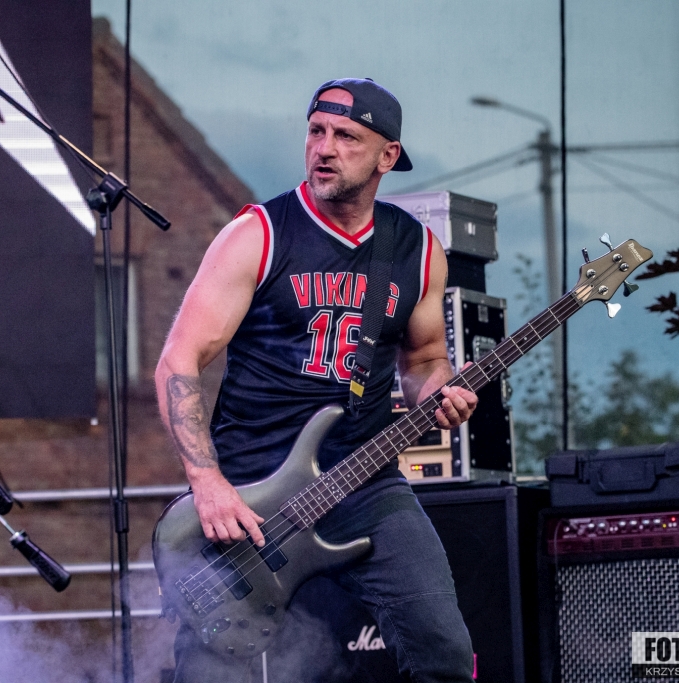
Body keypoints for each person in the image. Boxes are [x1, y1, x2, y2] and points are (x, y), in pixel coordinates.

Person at [155, 78, 477, 683]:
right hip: (251, 496)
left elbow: (424, 360)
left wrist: (439, 393)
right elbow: (178, 360)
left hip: (363, 484)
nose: (324, 148)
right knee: (212, 674)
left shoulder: (416, 249)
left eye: (346, 137)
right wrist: (208, 483)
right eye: (316, 131)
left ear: (387, 156)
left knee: (444, 651)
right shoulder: (258, 234)